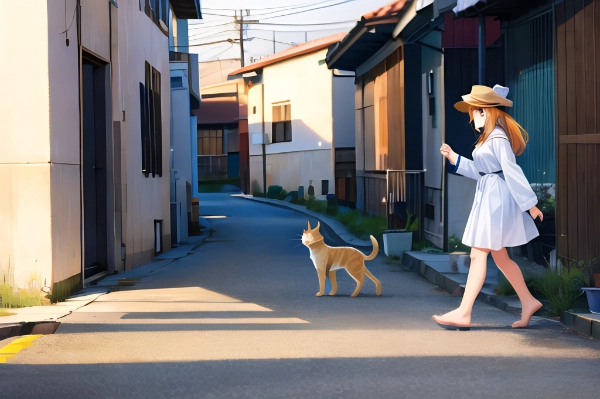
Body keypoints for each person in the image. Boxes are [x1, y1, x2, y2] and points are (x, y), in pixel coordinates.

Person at [435, 84, 543, 330]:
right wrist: (454, 158)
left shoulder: (498, 138)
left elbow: (511, 171)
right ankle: (528, 301)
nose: (471, 117)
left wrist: (531, 205)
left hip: (496, 200)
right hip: (490, 196)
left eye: (473, 112)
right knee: (500, 255)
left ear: (484, 111)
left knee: (478, 253)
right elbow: (481, 171)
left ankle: (464, 312)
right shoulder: (490, 138)